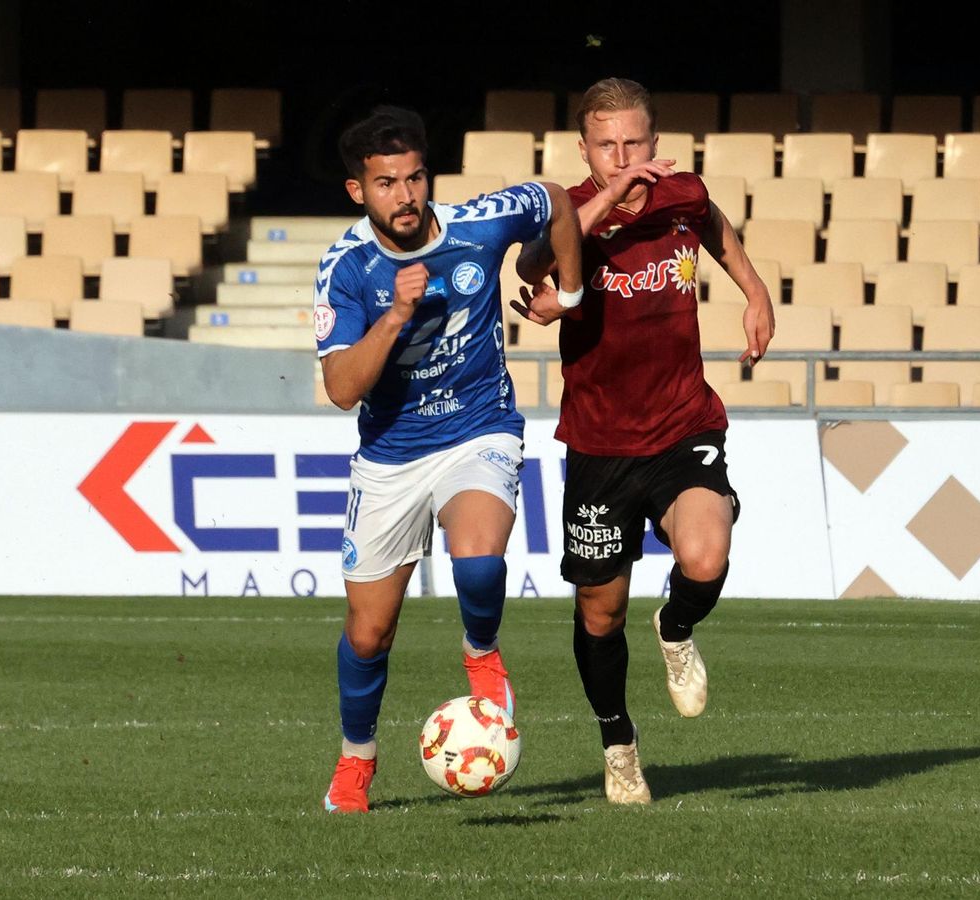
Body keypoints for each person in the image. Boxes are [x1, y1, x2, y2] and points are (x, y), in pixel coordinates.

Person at [513, 78, 775, 804]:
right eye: (606, 145)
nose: (622, 156)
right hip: (600, 446)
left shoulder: (680, 193)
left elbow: (714, 224)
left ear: (654, 143)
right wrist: (607, 198)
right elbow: (532, 265)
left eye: (634, 143)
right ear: (584, 148)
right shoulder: (570, 212)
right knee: (599, 613)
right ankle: (618, 742)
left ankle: (677, 624)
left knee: (706, 550)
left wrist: (754, 293)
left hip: (684, 422)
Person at [315, 106, 584, 813]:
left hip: (478, 428)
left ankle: (481, 650)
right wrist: (395, 317)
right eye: (385, 184)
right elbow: (342, 388)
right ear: (357, 192)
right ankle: (356, 762)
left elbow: (555, 200)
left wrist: (574, 291)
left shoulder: (478, 225)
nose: (405, 196)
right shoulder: (346, 268)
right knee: (368, 633)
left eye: (414, 178)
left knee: (477, 560)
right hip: (392, 457)